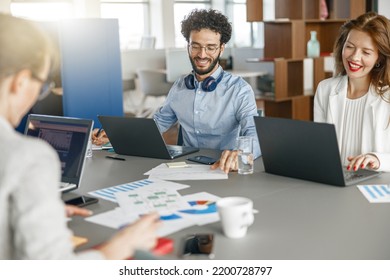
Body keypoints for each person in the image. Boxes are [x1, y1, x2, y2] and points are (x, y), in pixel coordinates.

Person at [0, 13, 160, 260]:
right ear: (20, 82)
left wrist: (35, 212)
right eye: (42, 87)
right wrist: (118, 247)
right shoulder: (28, 157)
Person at [153, 9, 261, 173]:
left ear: (221, 48)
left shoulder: (239, 90)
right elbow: (159, 122)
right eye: (195, 46)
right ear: (188, 46)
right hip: (186, 169)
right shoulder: (180, 86)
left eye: (210, 47)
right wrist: (119, 134)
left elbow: (253, 132)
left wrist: (242, 154)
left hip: (224, 169)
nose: (202, 55)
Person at [314, 12, 390, 172]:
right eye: (350, 47)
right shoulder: (325, 89)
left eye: (366, 52)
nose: (354, 57)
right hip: (333, 182)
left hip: (375, 186)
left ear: (380, 58)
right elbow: (319, 147)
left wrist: (378, 159)